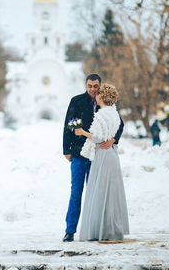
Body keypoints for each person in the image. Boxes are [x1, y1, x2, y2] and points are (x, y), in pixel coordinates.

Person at [62, 74, 124, 242]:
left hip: (99, 157)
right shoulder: (76, 101)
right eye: (90, 86)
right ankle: (70, 230)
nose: (92, 89)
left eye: (95, 86)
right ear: (86, 85)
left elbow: (120, 123)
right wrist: (66, 150)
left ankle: (93, 230)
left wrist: (114, 139)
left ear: (100, 85)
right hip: (79, 154)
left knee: (96, 194)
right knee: (76, 192)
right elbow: (69, 124)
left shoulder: (106, 103)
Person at [75, 83, 129, 242]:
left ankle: (99, 230)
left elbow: (97, 138)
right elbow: (112, 133)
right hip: (112, 154)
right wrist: (112, 139)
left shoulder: (101, 114)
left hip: (102, 156)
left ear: (102, 96)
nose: (96, 96)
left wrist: (82, 132)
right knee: (111, 193)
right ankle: (110, 229)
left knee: (99, 191)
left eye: (98, 93)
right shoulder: (114, 113)